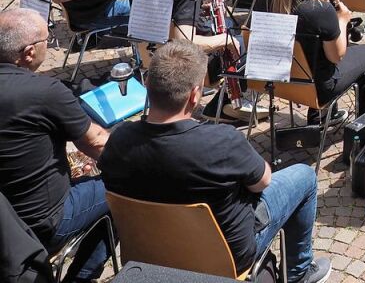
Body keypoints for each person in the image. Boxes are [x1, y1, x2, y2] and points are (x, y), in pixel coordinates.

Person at [98, 41, 332, 283]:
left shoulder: (118, 140)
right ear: (194, 95)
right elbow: (263, 182)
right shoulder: (221, 141)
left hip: (149, 257)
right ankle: (299, 272)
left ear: (147, 85)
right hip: (225, 260)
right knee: (304, 176)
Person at [0, 9, 114, 283]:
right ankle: (81, 278)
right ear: (28, 52)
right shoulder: (46, 92)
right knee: (121, 186)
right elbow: (97, 144)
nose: (49, 45)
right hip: (41, 223)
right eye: (47, 42)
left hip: (6, 225)